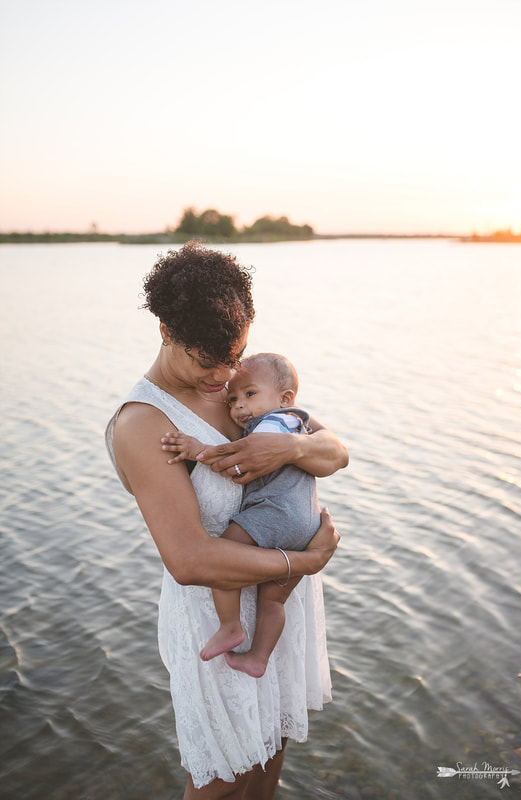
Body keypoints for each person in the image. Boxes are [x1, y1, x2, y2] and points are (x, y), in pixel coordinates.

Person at [105, 242, 348, 799]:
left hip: (277, 608)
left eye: (232, 356)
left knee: (269, 758)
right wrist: (303, 560)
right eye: (203, 360)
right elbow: (189, 559)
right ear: (165, 331)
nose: (220, 377)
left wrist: (284, 452)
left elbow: (334, 452)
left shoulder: (246, 386)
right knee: (222, 777)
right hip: (214, 618)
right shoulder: (143, 422)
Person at [160, 352, 322, 679]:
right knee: (273, 600)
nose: (239, 407)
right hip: (305, 524)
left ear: (285, 398)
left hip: (275, 514)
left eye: (250, 395)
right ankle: (258, 657)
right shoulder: (297, 424)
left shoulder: (275, 422)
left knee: (223, 559)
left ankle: (230, 626)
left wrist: (196, 450)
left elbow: (236, 461)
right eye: (233, 400)